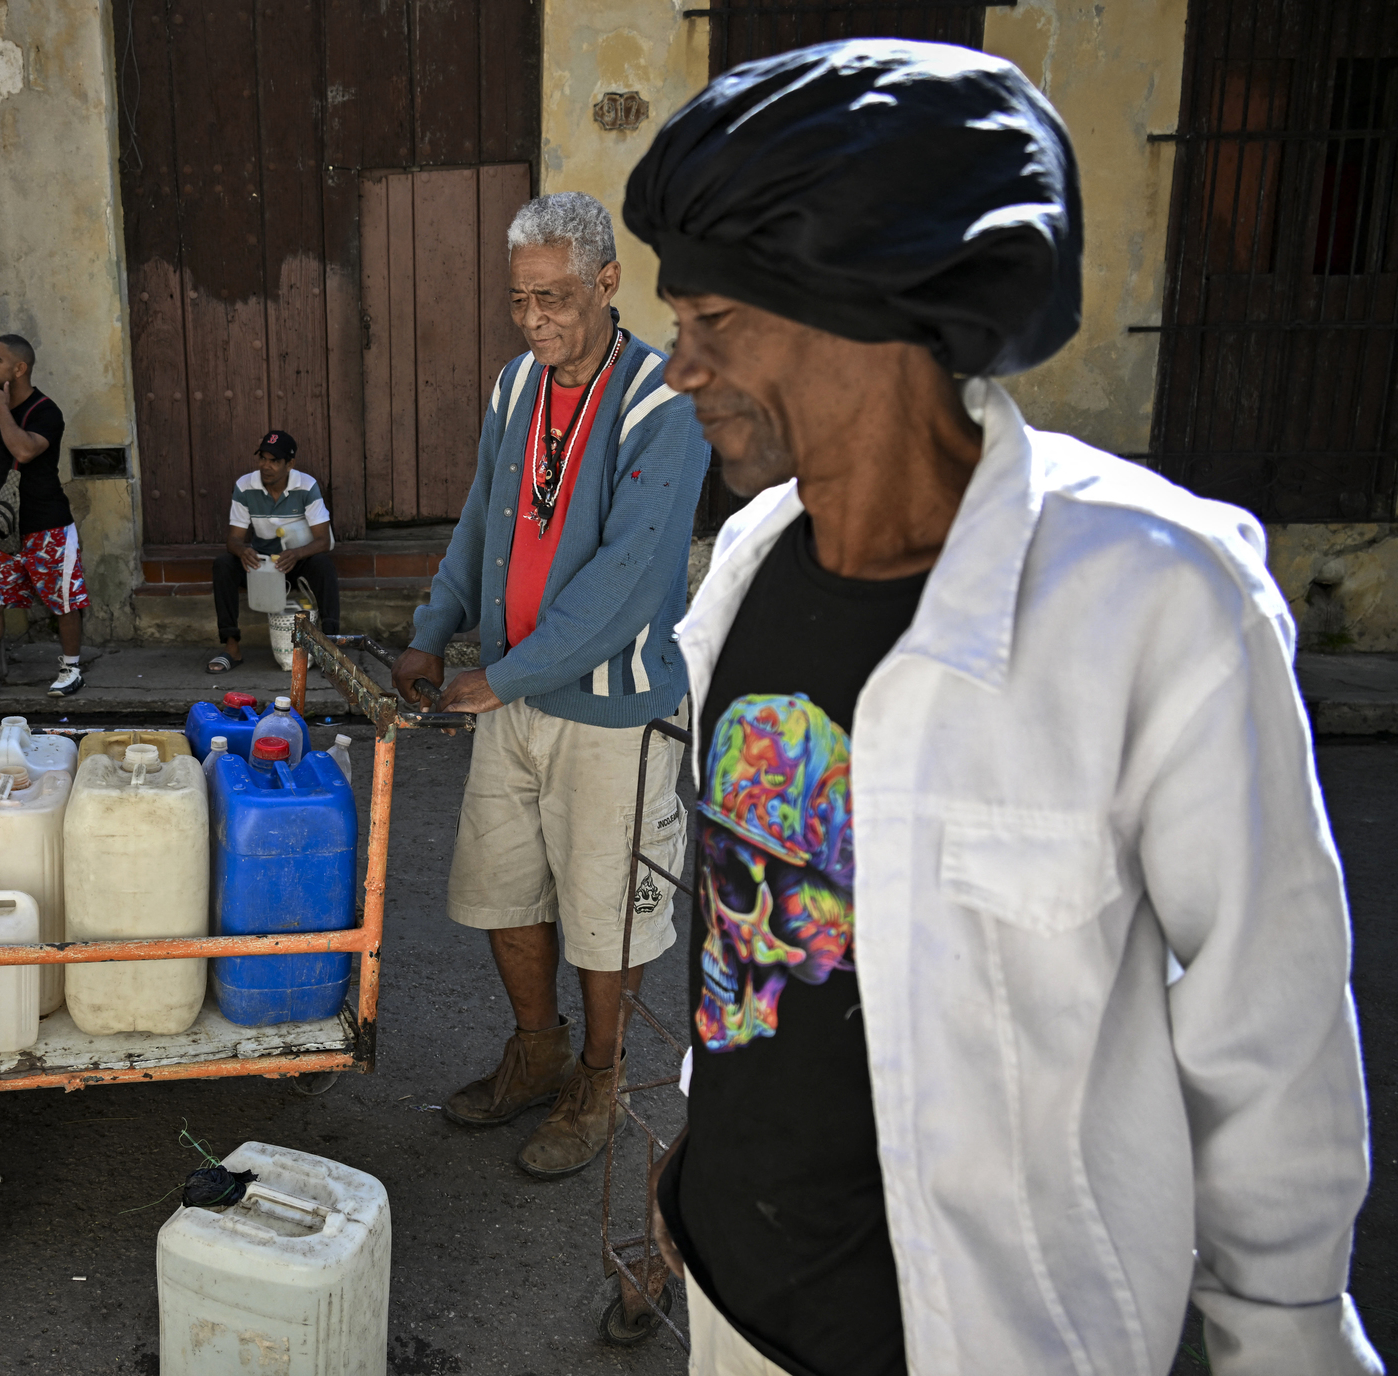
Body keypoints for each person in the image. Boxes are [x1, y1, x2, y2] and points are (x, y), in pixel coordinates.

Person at [626, 41, 1381, 1376]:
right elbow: (755, 925)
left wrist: (1286, 1339)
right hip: (735, 1303)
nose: (681, 369)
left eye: (717, 323)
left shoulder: (1157, 601)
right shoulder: (745, 570)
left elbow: (1274, 1026)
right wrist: (715, 1138)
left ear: (870, 312)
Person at [391, 192, 711, 1179]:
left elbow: (627, 580)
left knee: (603, 906)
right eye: (521, 300)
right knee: (504, 888)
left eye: (555, 300)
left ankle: (600, 1075)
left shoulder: (665, 402)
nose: (534, 321)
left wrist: (504, 674)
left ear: (608, 284)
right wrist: (431, 631)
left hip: (611, 709)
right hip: (514, 696)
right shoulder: (516, 388)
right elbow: (485, 518)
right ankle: (537, 1049)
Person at [0, 334, 85, 702]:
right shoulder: (0, 408)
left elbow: (24, 450)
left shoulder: (46, 411)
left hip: (49, 525)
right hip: (10, 529)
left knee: (65, 600)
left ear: (19, 368)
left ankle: (72, 668)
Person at [207, 429, 339, 672]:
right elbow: (233, 539)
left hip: (296, 562)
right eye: (262, 459)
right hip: (263, 565)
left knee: (323, 565)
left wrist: (298, 554)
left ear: (290, 464)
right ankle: (231, 647)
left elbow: (324, 541)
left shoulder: (306, 486)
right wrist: (242, 551)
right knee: (224, 564)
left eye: (274, 461)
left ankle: (329, 648)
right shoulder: (245, 486)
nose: (266, 466)